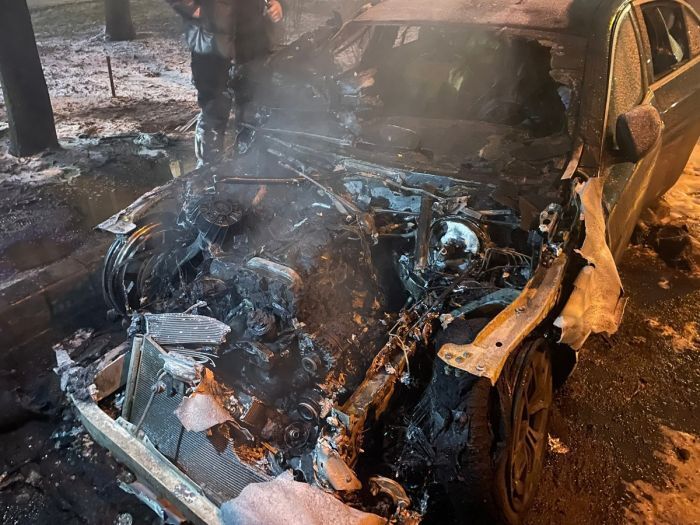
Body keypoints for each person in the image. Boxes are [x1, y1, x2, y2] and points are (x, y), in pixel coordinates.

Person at [166, 0, 284, 166]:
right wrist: (191, 7)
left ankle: (247, 168)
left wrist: (277, 2)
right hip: (210, 40)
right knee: (214, 109)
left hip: (254, 39)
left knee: (252, 108)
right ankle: (208, 171)